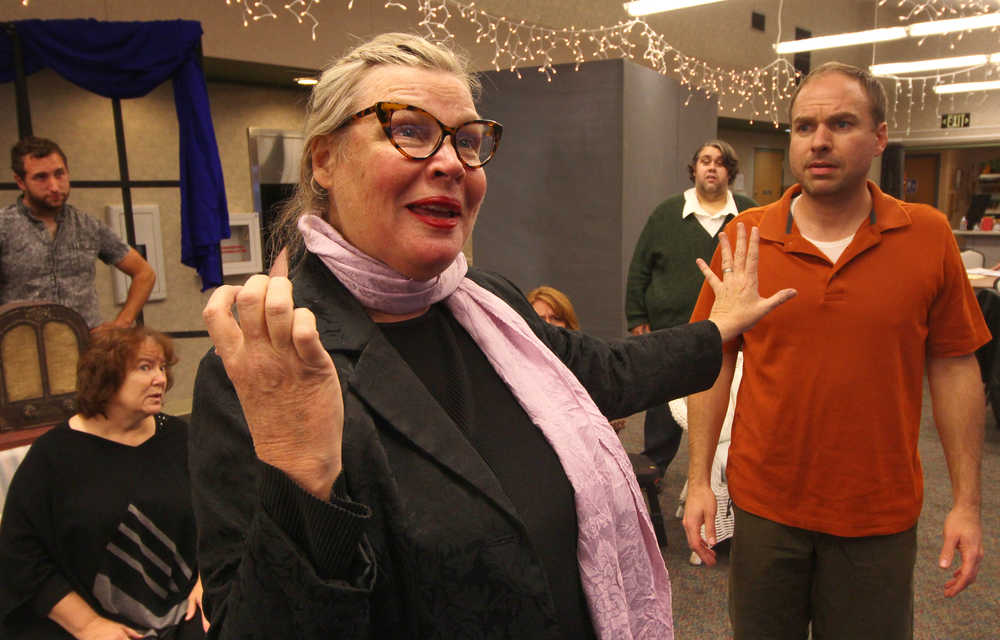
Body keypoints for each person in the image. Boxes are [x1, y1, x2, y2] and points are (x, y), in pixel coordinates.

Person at [189, 33, 794, 640]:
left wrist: (716, 329)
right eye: (410, 130)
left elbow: (603, 371)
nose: (452, 162)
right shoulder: (269, 365)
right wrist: (301, 478)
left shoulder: (486, 303)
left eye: (469, 141)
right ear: (324, 160)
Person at [685, 62, 989, 640]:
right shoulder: (746, 237)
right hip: (766, 506)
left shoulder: (926, 235)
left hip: (877, 512)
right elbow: (713, 360)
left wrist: (968, 504)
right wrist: (699, 480)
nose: (819, 141)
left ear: (879, 137)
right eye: (804, 127)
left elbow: (954, 367)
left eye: (842, 123)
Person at [0, 326, 208, 639]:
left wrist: (207, 583)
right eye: (145, 367)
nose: (160, 379)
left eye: (162, 367)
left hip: (187, 611)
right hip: (84, 624)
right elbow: (20, 555)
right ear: (104, 377)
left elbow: (220, 519)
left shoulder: (180, 438)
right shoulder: (54, 456)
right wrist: (87, 625)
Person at [625, 140, 757, 476]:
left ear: (730, 172)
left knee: (726, 407)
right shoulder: (666, 213)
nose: (712, 167)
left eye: (720, 162)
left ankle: (725, 474)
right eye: (705, 161)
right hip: (669, 329)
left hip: (729, 334)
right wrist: (637, 316)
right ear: (694, 168)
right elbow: (640, 266)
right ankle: (654, 468)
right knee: (662, 408)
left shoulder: (749, 214)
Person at [0, 136, 156, 331]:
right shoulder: (4, 227)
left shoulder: (87, 225)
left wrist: (121, 324)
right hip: (20, 348)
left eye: (59, 174)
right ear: (20, 181)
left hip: (84, 346)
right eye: (41, 177)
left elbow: (144, 273)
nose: (54, 186)